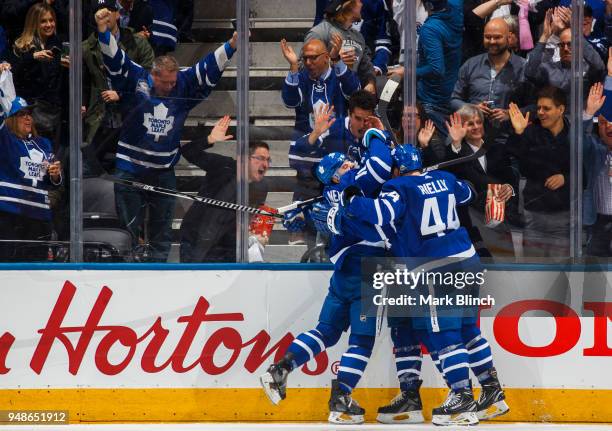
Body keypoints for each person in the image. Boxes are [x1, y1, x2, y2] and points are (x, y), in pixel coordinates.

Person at [336, 143, 508, 425]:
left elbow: (380, 214)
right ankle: (491, 391)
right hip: (467, 258)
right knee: (467, 328)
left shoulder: (398, 187)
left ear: (396, 169)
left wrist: (352, 198)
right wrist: (436, 183)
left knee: (443, 333)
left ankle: (462, 396)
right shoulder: (446, 179)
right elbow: (469, 192)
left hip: (436, 266)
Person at [261, 122, 396, 425]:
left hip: (344, 272)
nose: (352, 164)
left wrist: (299, 215)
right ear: (337, 175)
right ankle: (341, 400)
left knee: (327, 331)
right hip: (369, 270)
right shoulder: (353, 185)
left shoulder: (328, 199)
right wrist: (377, 135)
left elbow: (310, 218)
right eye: (346, 164)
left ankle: (282, 366)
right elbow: (379, 166)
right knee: (361, 340)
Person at [94, 6, 237, 262]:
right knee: (128, 231)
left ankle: (158, 269)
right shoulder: (137, 78)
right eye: (165, 83)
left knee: (162, 232)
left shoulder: (181, 83)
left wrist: (231, 45)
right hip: (130, 167)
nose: (171, 87)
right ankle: (127, 270)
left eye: (173, 82)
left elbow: (206, 68)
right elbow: (117, 61)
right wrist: (104, 32)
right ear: (153, 75)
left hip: (163, 171)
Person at [83, 0, 155, 173]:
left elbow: (149, 78)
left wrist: (122, 94)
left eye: (108, 12)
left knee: (131, 173)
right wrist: (82, 103)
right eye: (99, 13)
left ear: (117, 14)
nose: (104, 16)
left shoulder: (138, 42)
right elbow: (82, 82)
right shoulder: (85, 48)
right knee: (91, 173)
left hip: (131, 114)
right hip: (99, 119)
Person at [0, 62, 63, 261]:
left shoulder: (43, 143)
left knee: (36, 268)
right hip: (10, 212)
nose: (27, 118)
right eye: (21, 115)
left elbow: (53, 181)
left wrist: (55, 174)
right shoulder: (5, 139)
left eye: (29, 114)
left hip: (40, 215)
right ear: (11, 119)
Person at [180, 130, 270, 263]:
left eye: (268, 160)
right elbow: (188, 151)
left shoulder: (261, 187)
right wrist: (209, 138)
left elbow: (247, 220)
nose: (265, 165)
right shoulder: (224, 166)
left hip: (227, 246)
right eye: (260, 158)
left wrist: (253, 235)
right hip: (197, 239)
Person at [445, 106, 520, 258]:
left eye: (479, 122)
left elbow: (512, 176)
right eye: (470, 124)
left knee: (506, 273)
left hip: (501, 223)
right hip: (472, 223)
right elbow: (454, 174)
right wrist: (456, 144)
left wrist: (509, 188)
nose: (476, 127)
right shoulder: (455, 151)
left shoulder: (497, 148)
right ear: (461, 127)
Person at [507, 86, 570, 257]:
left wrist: (565, 178)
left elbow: (585, 175)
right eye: (539, 108)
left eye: (546, 108)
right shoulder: (531, 132)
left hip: (563, 215)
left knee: (560, 273)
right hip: (534, 213)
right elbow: (519, 163)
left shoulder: (574, 134)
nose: (540, 112)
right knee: (533, 272)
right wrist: (519, 133)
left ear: (561, 109)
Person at [451, 17, 533, 147]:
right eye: (487, 37)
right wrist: (473, 108)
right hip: (472, 140)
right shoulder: (470, 65)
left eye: (497, 37)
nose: (492, 41)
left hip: (508, 142)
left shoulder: (523, 67)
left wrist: (509, 114)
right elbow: (454, 100)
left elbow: (534, 106)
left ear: (509, 37)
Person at [9, 2, 68, 147]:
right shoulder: (21, 47)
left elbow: (61, 84)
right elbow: (13, 75)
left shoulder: (59, 47)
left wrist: (67, 68)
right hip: (29, 113)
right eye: (43, 21)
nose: (49, 24)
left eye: (51, 20)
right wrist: (32, 58)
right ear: (34, 23)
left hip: (54, 113)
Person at [281, 37, 360, 137]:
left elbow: (354, 92)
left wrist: (337, 60)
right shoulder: (300, 78)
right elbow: (290, 102)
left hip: (337, 143)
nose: (308, 62)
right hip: (305, 145)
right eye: (305, 58)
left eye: (313, 57)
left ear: (326, 57)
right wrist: (293, 66)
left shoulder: (340, 76)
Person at [525, 8, 606, 98]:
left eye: (570, 44)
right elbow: (530, 72)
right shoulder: (549, 69)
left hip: (582, 111)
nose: (566, 48)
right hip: (553, 111)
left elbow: (599, 65)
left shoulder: (588, 68)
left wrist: (576, 32)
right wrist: (545, 36)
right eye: (562, 45)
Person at [306, 0, 377, 92]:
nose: (362, 4)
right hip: (325, 95)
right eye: (358, 1)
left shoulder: (358, 36)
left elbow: (366, 66)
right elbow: (302, 68)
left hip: (350, 95)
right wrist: (333, 61)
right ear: (348, 6)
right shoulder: (319, 32)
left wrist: (370, 82)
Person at [583, 81, 612, 257]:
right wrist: (589, 113)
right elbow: (577, 138)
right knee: (594, 276)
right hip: (599, 223)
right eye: (603, 123)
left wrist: (610, 78)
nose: (608, 126)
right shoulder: (593, 149)